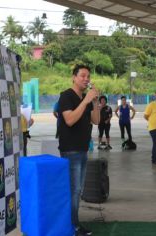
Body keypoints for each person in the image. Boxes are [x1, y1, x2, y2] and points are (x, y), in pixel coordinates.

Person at [58, 64, 99, 236]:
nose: (86, 79)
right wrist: (86, 100)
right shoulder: (66, 96)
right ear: (73, 77)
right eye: (82, 76)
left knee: (78, 189)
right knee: (73, 189)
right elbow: (70, 120)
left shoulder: (87, 99)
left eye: (88, 76)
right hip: (70, 150)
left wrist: (95, 102)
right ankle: (72, 226)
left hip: (83, 149)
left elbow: (96, 120)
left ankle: (73, 223)